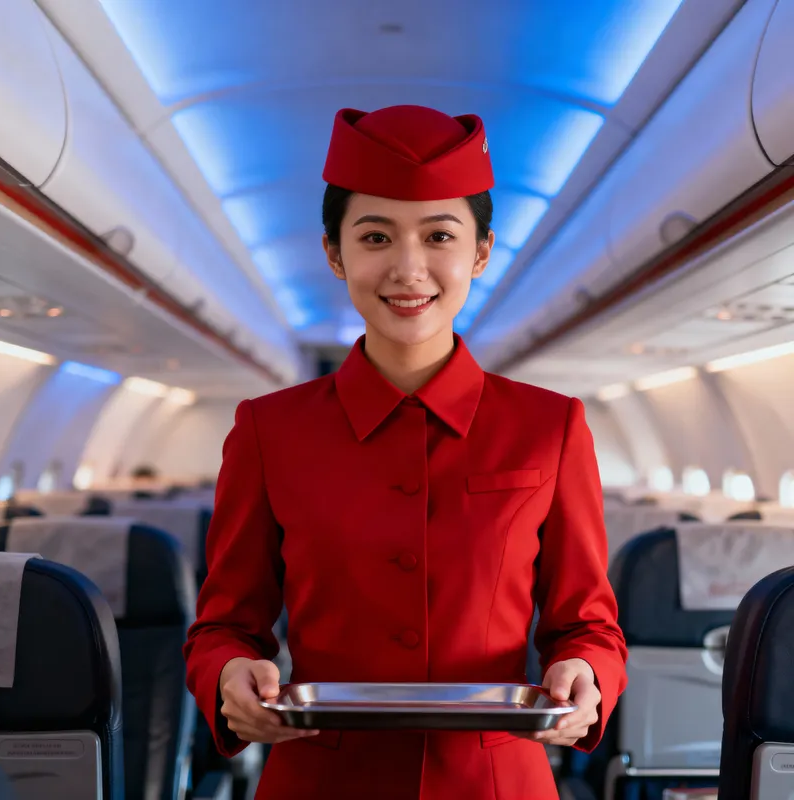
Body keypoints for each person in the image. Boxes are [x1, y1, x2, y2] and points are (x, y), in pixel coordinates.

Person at [184, 104, 628, 800]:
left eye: (439, 235)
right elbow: (224, 626)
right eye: (375, 236)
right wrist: (227, 677)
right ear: (334, 253)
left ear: (481, 251)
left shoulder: (552, 427)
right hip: (320, 780)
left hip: (494, 781)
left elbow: (586, 623)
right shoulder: (269, 431)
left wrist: (586, 672)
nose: (408, 268)